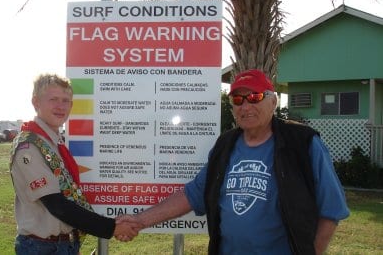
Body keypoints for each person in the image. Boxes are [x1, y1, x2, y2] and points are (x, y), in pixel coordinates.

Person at [117, 69, 350, 254]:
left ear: (273, 102)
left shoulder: (303, 144)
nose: (246, 106)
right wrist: (139, 220)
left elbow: (332, 210)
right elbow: (192, 194)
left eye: (255, 97)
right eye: (238, 99)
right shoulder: (225, 145)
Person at [10, 74, 139, 255]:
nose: (60, 106)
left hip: (64, 244)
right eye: (53, 99)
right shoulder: (29, 146)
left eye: (66, 101)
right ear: (36, 102)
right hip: (42, 248)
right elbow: (57, 205)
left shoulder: (52, 143)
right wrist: (112, 228)